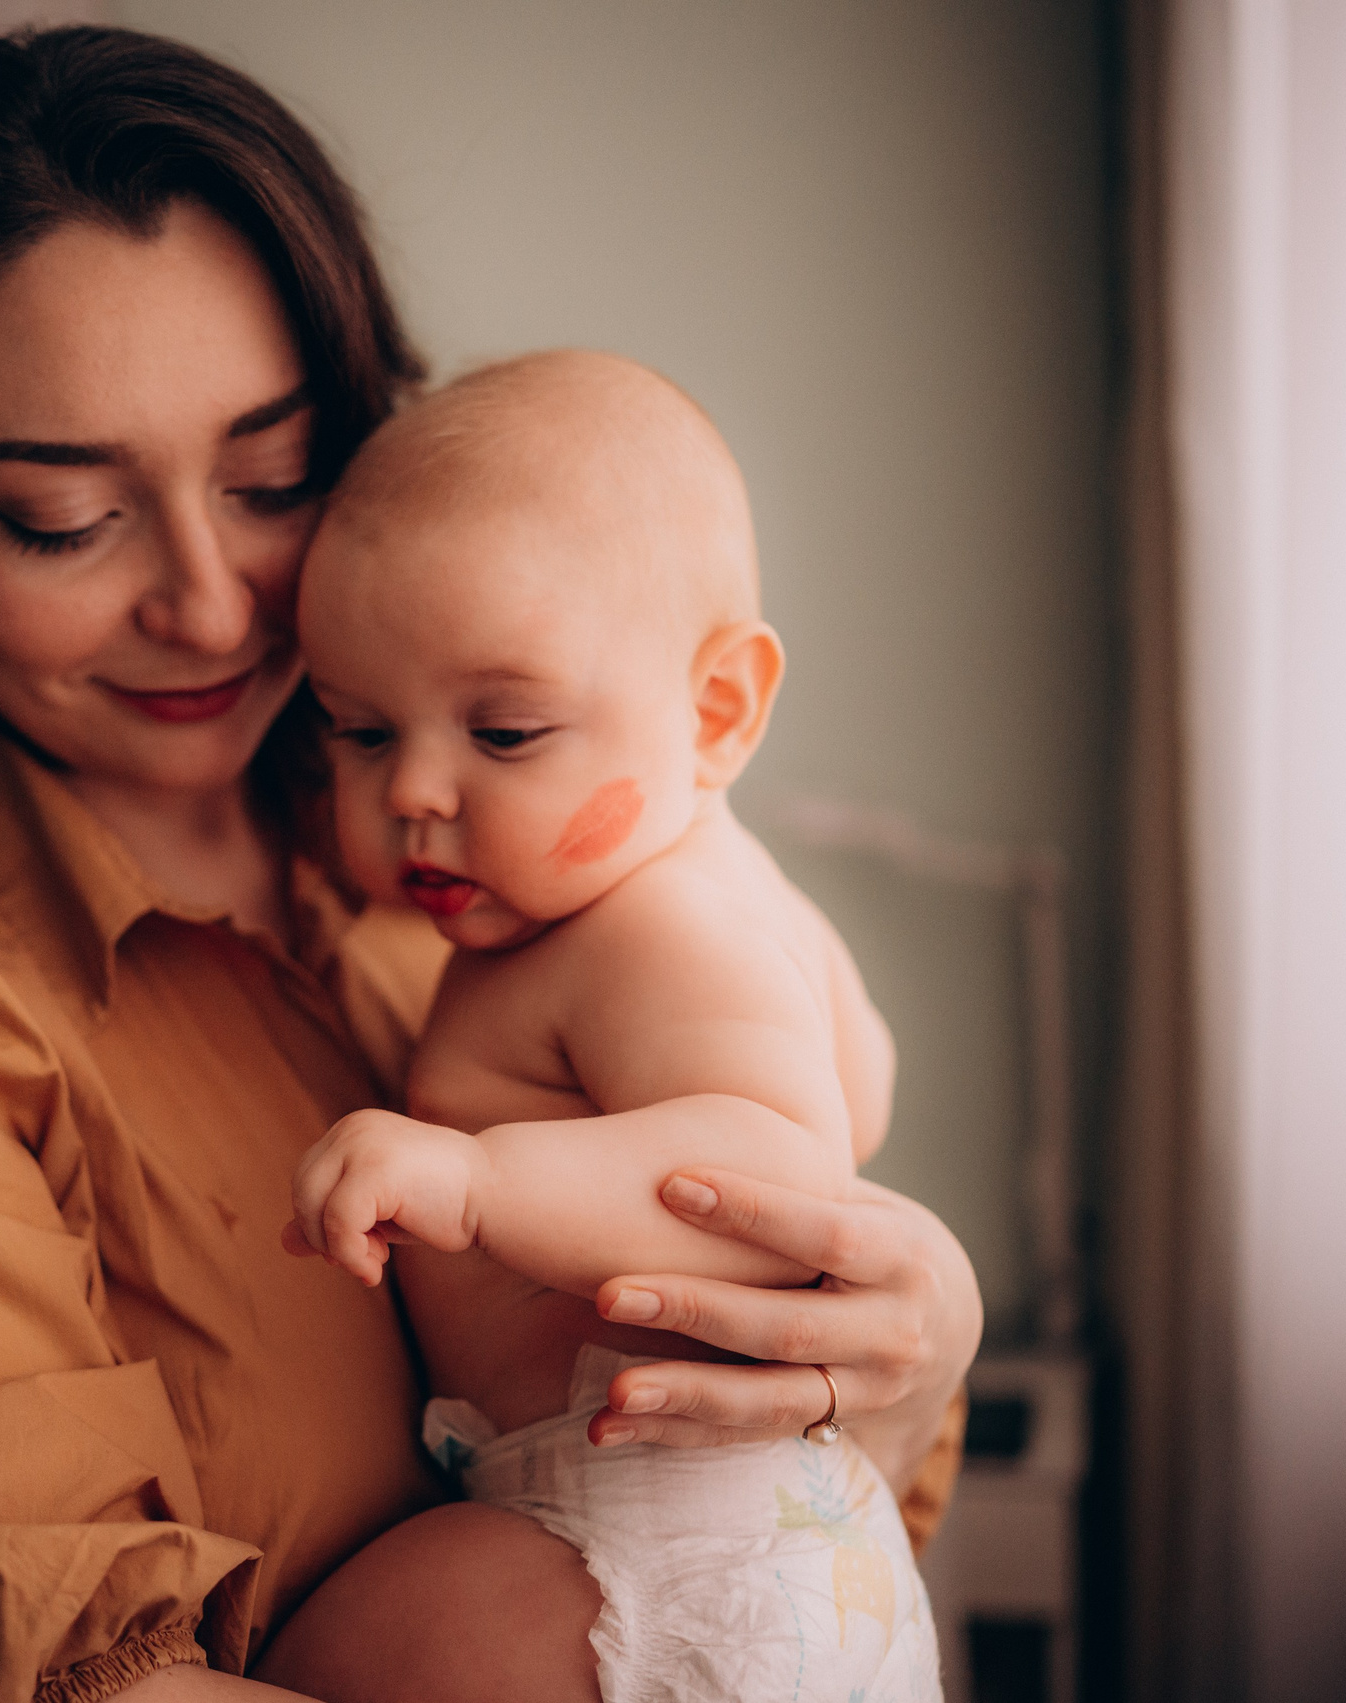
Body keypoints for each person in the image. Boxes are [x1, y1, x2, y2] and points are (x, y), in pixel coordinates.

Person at [0, 26, 981, 1703]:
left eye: (272, 480)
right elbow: (40, 1672)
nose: (211, 605)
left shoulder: (487, 875)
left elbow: (803, 1544)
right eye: (63, 520)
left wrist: (918, 1345)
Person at [284, 351, 937, 1701]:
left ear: (716, 713)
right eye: (358, 730)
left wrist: (481, 1180)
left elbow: (786, 1172)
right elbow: (861, 1084)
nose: (413, 792)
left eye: (506, 732)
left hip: (647, 1525)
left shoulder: (651, 924)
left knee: (305, 1662)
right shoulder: (732, 898)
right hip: (762, 1533)